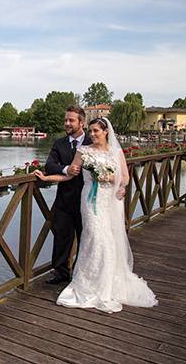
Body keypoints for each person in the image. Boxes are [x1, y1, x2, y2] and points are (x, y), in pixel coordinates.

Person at [34, 117, 158, 313]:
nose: (92, 135)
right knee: (94, 236)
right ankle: (89, 282)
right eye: (90, 131)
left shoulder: (116, 152)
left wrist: (116, 183)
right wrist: (47, 177)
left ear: (106, 131)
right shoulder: (84, 151)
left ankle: (108, 282)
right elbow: (69, 175)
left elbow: (124, 177)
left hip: (110, 201)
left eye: (96, 131)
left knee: (108, 238)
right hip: (90, 202)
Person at [44, 105, 92, 284]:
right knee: (61, 236)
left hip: (86, 199)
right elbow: (49, 165)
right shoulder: (59, 143)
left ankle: (82, 273)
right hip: (64, 199)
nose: (67, 123)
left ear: (82, 122)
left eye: (71, 120)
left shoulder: (92, 141)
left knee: (85, 238)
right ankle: (61, 272)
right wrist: (66, 168)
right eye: (66, 120)